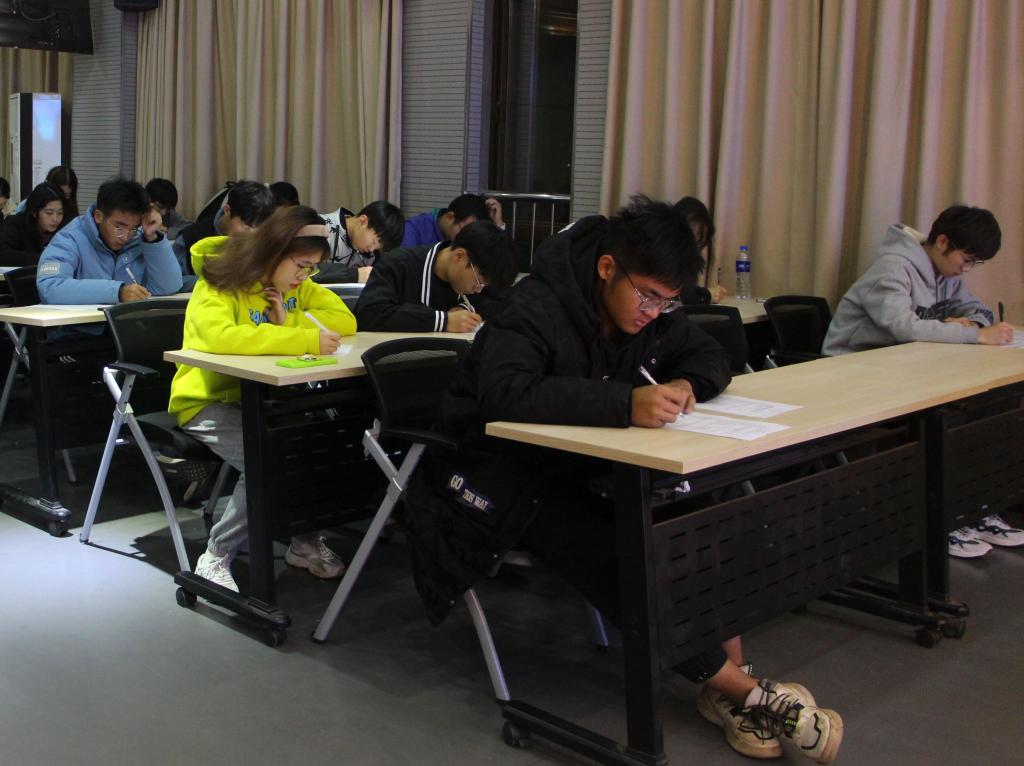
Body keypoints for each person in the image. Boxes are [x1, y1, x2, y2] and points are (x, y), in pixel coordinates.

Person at [403, 196, 843, 764]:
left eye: (668, 301)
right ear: (608, 268)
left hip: (584, 467)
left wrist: (686, 383)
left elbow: (712, 353)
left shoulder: (649, 310)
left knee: (707, 511)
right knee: (622, 552)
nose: (655, 312)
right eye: (648, 296)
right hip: (498, 476)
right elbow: (506, 393)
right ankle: (751, 695)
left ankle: (730, 686)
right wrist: (624, 403)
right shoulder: (536, 306)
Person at [168, 205, 357, 592]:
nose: (304, 277)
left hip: (266, 398)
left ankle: (303, 542)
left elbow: (345, 320)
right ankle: (216, 555)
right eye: (301, 266)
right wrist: (301, 338)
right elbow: (219, 337)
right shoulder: (220, 279)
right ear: (274, 252)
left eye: (311, 269)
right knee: (266, 460)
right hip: (207, 400)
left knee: (315, 445)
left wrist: (290, 321)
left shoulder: (296, 285)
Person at [823, 205, 1020, 558]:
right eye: (966, 259)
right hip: (853, 372)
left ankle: (970, 506)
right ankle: (942, 516)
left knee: (985, 407)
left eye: (974, 263)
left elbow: (979, 310)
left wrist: (974, 325)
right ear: (943, 242)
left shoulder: (945, 274)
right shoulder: (893, 267)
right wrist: (974, 335)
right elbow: (903, 326)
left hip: (902, 369)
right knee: (946, 420)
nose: (967, 269)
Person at [36, 177, 182, 304]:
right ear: (99, 216)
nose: (125, 237)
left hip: (125, 324)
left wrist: (152, 238)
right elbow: (50, 286)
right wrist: (117, 292)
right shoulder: (70, 238)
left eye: (133, 228)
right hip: (78, 326)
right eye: (119, 227)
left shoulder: (138, 238)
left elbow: (168, 287)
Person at [355, 220, 516, 333]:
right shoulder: (398, 264)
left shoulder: (479, 273)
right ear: (459, 256)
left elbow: (502, 303)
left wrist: (465, 308)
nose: (478, 290)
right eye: (478, 282)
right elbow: (369, 314)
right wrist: (443, 321)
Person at [173, 180, 275, 289]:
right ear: (227, 210)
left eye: (259, 226)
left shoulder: (265, 239)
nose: (252, 233)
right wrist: (218, 279)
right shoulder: (189, 238)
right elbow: (174, 282)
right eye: (246, 224)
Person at [316, 200, 405, 284]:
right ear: (363, 221)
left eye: (377, 247)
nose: (371, 249)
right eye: (373, 242)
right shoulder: (320, 226)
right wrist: (355, 275)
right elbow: (309, 271)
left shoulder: (373, 255)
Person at [674, 196, 727, 304]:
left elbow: (685, 290)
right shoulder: (660, 252)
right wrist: (707, 294)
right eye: (690, 233)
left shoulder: (690, 258)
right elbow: (672, 295)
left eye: (698, 241)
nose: (692, 245)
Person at [401, 193, 504, 248]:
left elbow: (494, 265)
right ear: (449, 218)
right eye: (463, 231)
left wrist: (498, 227)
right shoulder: (413, 230)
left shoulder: (467, 239)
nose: (466, 239)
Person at [0, 183, 68, 266]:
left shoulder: (64, 229)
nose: (55, 219)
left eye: (60, 213)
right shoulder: (16, 224)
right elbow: (3, 254)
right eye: (49, 213)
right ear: (34, 211)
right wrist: (45, 259)